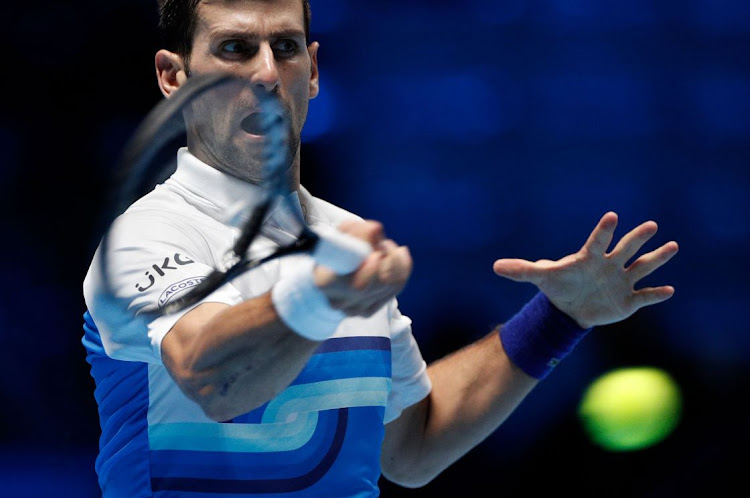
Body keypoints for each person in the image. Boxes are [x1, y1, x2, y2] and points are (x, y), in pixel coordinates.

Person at [82, 0, 680, 496]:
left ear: (312, 71)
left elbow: (411, 447)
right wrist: (323, 295)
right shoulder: (147, 234)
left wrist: (557, 319)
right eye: (235, 49)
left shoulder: (348, 240)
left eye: (286, 48)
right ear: (174, 76)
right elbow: (212, 379)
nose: (266, 73)